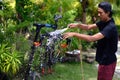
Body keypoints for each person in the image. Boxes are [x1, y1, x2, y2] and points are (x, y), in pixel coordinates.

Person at [63, 1, 118, 80]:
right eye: (98, 12)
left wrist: (74, 34)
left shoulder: (110, 27)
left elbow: (91, 38)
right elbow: (88, 27)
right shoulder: (104, 22)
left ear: (108, 13)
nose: (98, 15)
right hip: (104, 60)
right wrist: (78, 25)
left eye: (100, 13)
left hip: (107, 62)